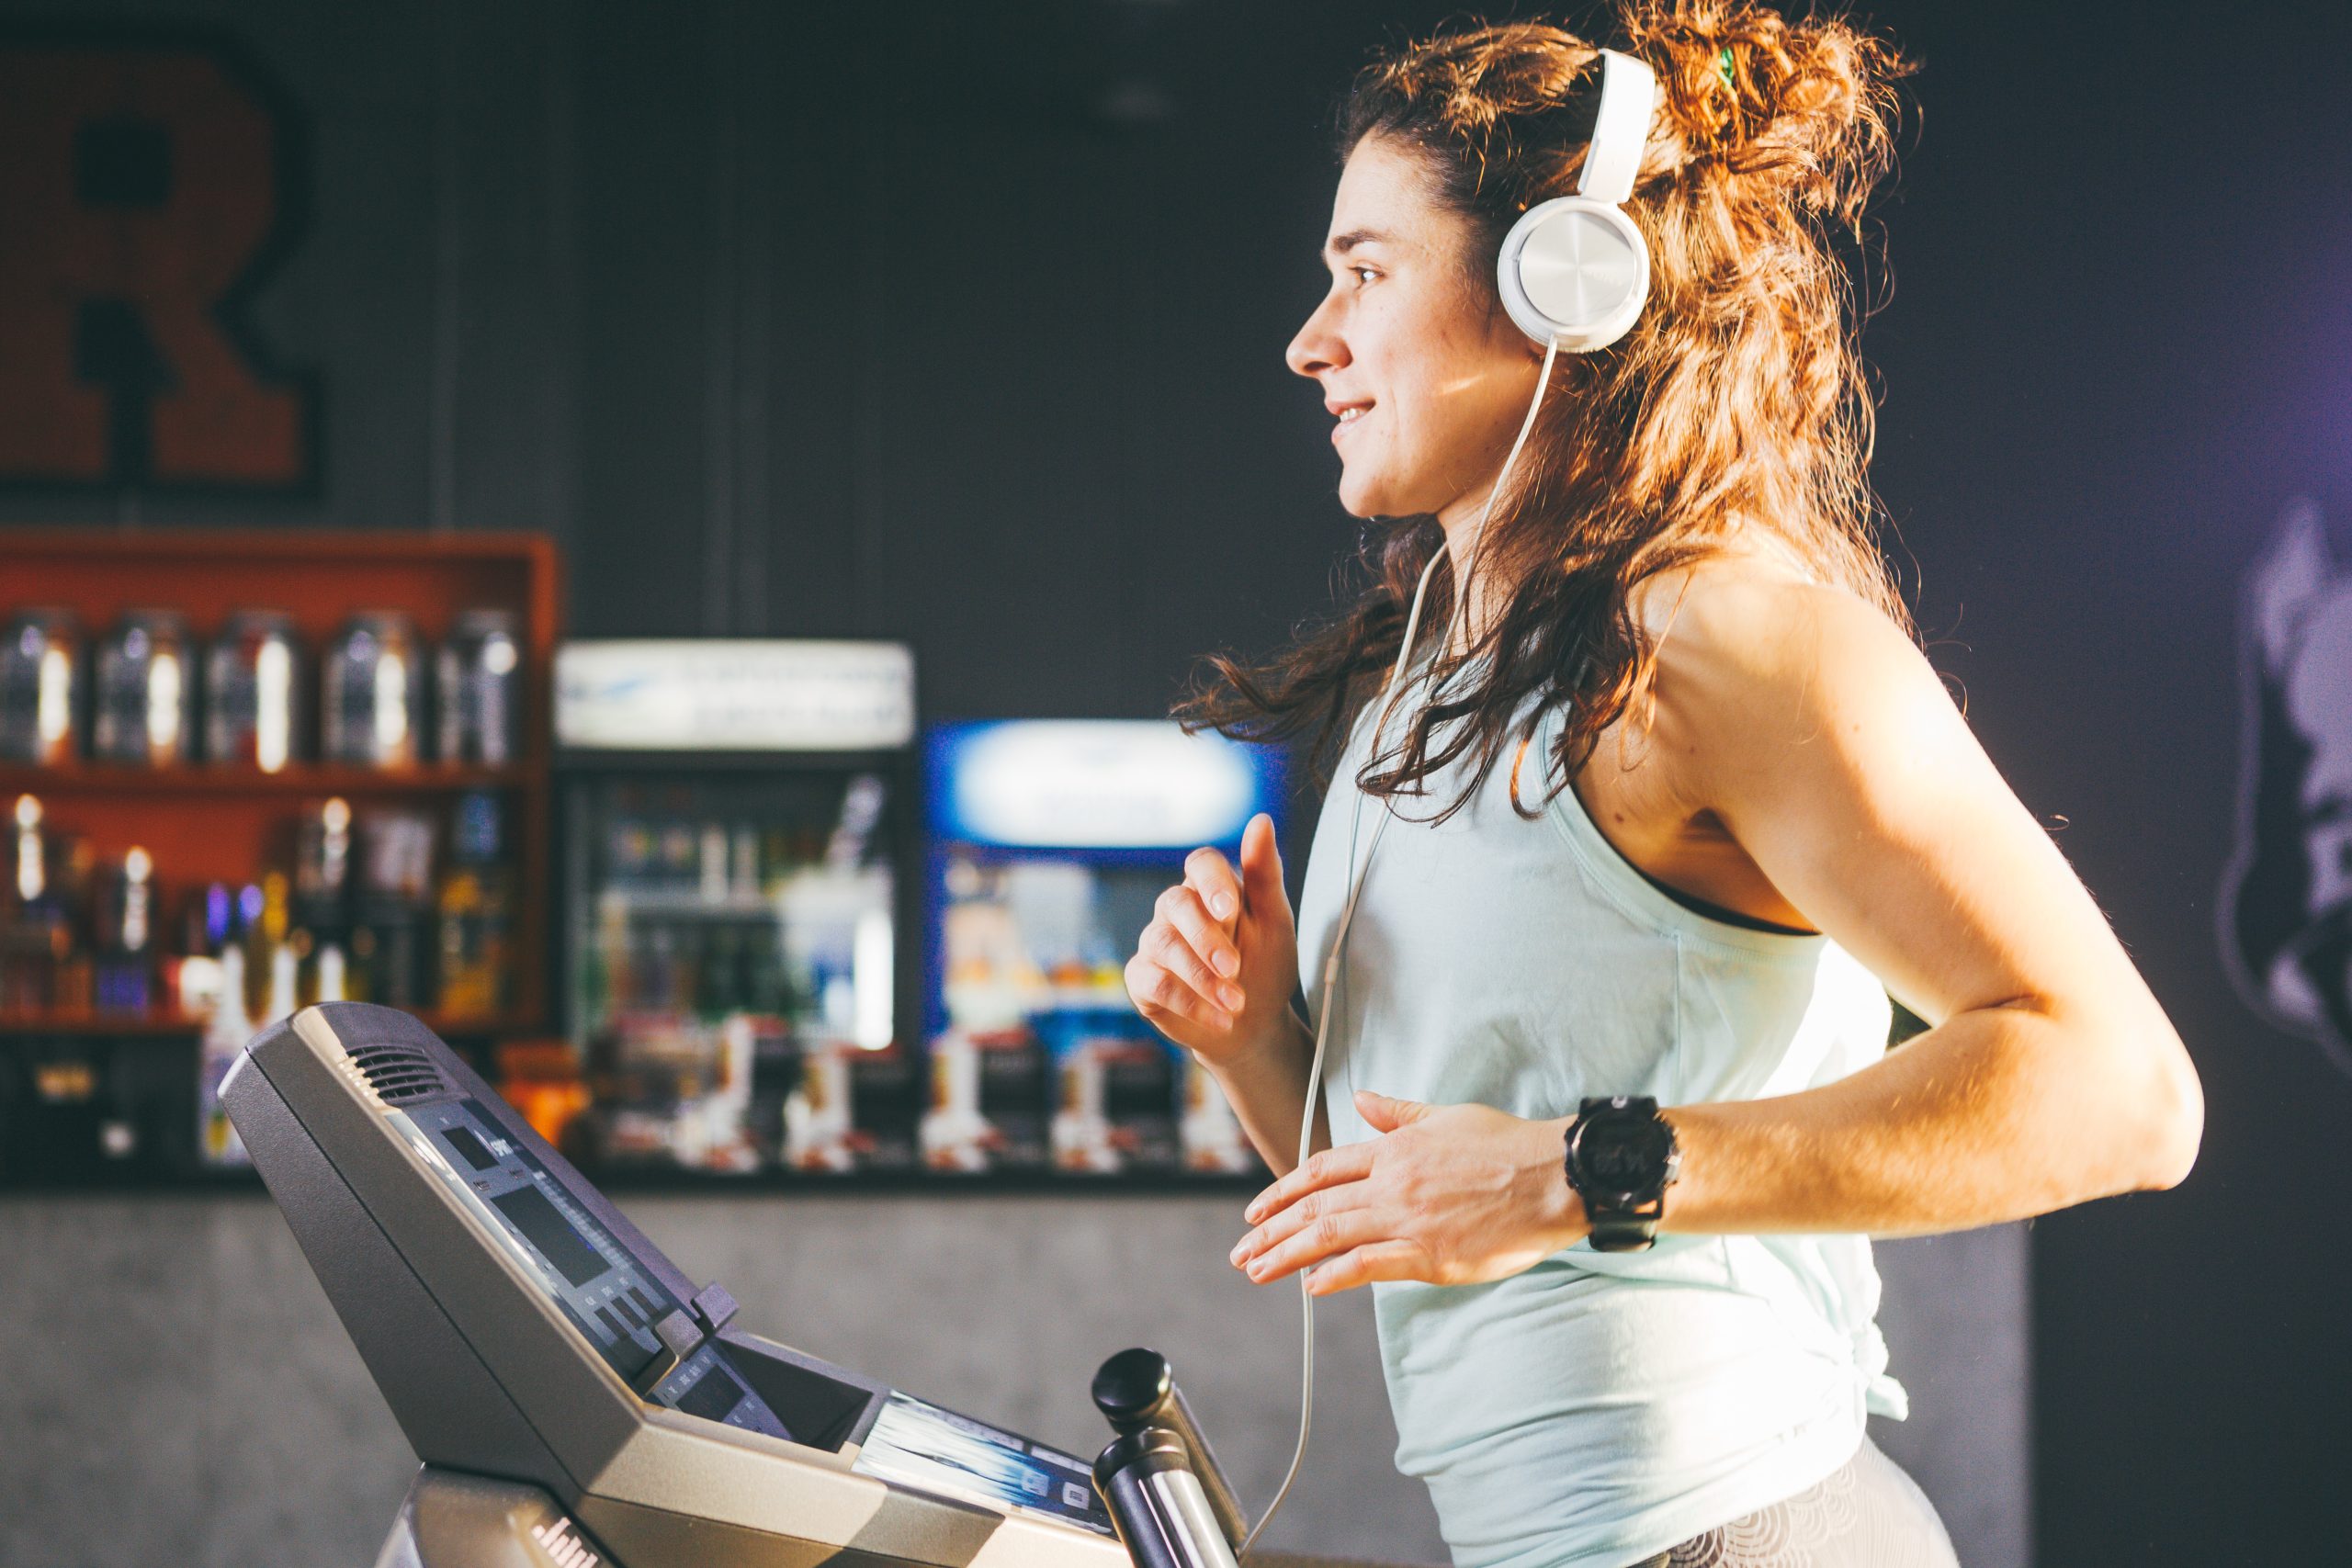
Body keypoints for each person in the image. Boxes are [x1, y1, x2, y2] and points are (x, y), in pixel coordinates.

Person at [1122, 5, 2205, 1566]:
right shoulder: (1428, 672)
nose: (1312, 339)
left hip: (1736, 1530)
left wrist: (1578, 1172)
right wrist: (1251, 1040)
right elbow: (1426, 1201)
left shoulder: (1731, 641)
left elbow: (2122, 1091)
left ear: (1560, 285)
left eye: (1365, 272)